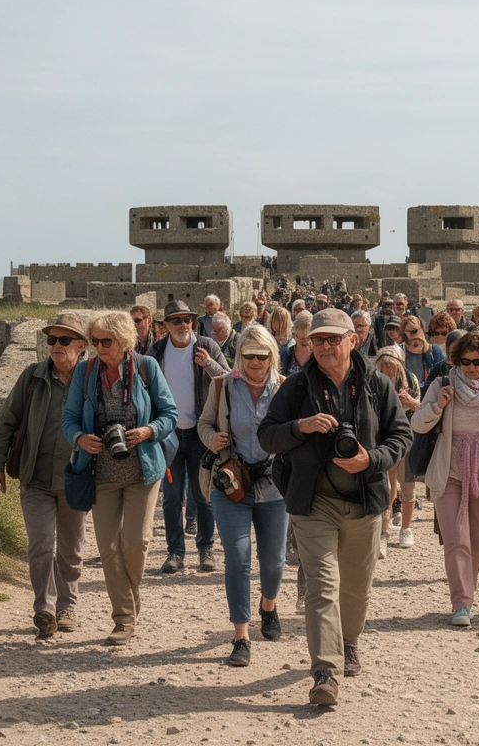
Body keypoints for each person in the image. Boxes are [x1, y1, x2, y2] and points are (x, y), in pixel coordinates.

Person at [258, 309, 414, 707]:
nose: (325, 346)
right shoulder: (296, 387)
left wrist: (372, 459)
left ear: (353, 340)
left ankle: (348, 641)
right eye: (318, 340)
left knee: (357, 591)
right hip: (314, 504)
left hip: (365, 504)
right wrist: (301, 427)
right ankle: (324, 672)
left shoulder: (378, 384)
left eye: (334, 339)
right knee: (323, 587)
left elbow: (402, 434)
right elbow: (267, 436)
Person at [62, 311, 179, 646]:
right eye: (95, 340)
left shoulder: (145, 368)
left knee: (135, 543)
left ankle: (130, 600)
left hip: (142, 470)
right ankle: (124, 618)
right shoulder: (85, 373)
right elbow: (68, 419)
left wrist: (148, 429)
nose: (99, 347)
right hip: (101, 473)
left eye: (106, 341)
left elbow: (170, 414)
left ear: (124, 340)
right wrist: (80, 439)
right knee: (108, 547)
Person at [0, 313, 91, 639]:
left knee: (71, 549)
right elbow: (6, 422)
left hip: (74, 479)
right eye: (51, 340)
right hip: (34, 478)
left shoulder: (91, 379)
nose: (56, 346)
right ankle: (44, 609)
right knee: (41, 544)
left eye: (64, 340)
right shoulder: (32, 377)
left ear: (82, 346)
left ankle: (67, 606)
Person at [198, 326, 289, 667]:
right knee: (237, 557)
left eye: (261, 356)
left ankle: (268, 605)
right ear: (239, 357)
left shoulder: (285, 389)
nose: (254, 362)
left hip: (274, 486)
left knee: (274, 561)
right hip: (231, 483)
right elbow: (204, 423)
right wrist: (212, 439)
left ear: (271, 356)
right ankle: (241, 637)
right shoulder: (222, 386)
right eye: (248, 356)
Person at [412, 331, 479, 626]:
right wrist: (438, 406)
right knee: (457, 539)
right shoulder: (442, 384)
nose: (471, 367)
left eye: (477, 361)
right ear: (457, 360)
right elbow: (417, 424)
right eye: (465, 361)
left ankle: (464, 593)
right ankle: (462, 603)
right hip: (450, 472)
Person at [147, 300, 231, 574]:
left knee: (203, 493)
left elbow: (229, 379)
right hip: (168, 434)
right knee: (171, 497)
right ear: (166, 325)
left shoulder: (207, 346)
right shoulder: (157, 351)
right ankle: (175, 552)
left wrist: (208, 364)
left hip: (199, 433)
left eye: (187, 320)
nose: (183, 325)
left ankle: (205, 548)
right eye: (176, 320)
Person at [373, 345, 421, 551]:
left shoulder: (410, 381)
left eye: (392, 367)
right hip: (383, 440)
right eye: (385, 366)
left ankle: (406, 529)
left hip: (407, 438)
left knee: (407, 486)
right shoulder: (373, 381)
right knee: (386, 485)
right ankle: (383, 532)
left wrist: (409, 401)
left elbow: (422, 408)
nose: (389, 371)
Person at [401, 314, 444, 386]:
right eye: (410, 332)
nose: (414, 335)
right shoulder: (399, 353)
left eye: (416, 331)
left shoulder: (434, 352)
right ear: (404, 333)